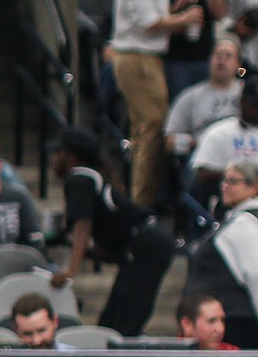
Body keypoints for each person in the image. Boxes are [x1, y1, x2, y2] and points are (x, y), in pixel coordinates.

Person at [113, 0, 206, 207]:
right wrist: (184, 19)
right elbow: (149, 23)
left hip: (147, 57)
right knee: (152, 126)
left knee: (145, 128)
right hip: (138, 57)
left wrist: (175, 9)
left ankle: (140, 197)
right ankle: (141, 201)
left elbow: (154, 16)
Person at [51, 127, 176, 336]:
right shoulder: (94, 177)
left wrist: (70, 270)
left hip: (146, 243)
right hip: (148, 242)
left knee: (118, 324)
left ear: (70, 156)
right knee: (118, 321)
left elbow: (83, 225)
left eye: (58, 154)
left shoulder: (79, 178)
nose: (53, 160)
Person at [184, 159, 258, 348]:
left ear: (254, 187)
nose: (225, 187)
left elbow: (256, 275)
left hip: (233, 323)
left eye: (233, 181)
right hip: (234, 319)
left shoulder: (245, 222)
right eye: (224, 181)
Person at [191, 72, 258, 196]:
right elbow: (202, 173)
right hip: (237, 197)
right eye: (254, 105)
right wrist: (240, 177)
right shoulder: (219, 133)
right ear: (242, 101)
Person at [165, 38, 244, 160]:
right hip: (203, 157)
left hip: (240, 154)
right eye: (217, 55)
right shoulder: (190, 96)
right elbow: (169, 141)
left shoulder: (248, 93)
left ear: (238, 63)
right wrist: (194, 142)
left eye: (228, 56)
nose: (221, 60)